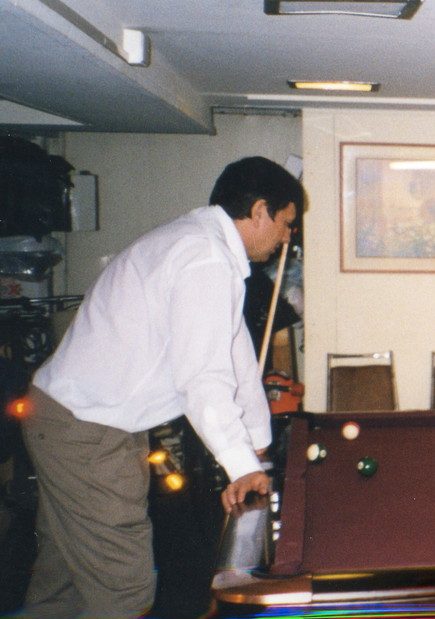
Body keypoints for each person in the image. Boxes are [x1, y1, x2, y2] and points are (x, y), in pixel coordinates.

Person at [17, 156, 302, 617]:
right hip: (88, 432)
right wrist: (239, 464)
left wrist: (255, 448)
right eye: (286, 223)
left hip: (75, 421)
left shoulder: (203, 245)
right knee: (123, 590)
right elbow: (202, 376)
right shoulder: (205, 259)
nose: (288, 237)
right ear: (260, 211)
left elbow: (234, 355)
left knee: (65, 581)